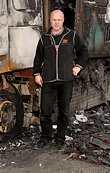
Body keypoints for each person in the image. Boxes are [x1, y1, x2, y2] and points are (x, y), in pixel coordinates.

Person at [33, 9, 88, 147]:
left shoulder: (72, 36)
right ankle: (45, 137)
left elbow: (84, 52)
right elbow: (38, 58)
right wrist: (37, 74)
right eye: (54, 20)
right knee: (45, 112)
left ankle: (60, 139)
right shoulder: (44, 38)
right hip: (48, 80)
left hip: (66, 80)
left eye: (59, 20)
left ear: (63, 21)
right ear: (50, 21)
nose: (56, 22)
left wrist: (78, 66)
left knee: (63, 112)